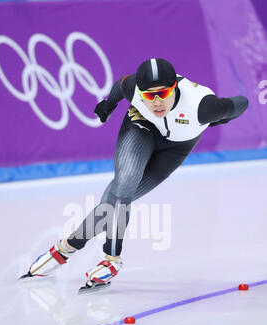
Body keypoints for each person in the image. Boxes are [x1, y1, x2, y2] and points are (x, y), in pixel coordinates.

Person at [20, 58, 249, 292]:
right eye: (150, 96)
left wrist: (224, 116)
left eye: (163, 94)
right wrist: (109, 104)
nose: (157, 102)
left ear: (175, 88)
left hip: (177, 147)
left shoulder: (203, 106)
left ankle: (65, 248)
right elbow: (121, 85)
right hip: (142, 126)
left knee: (111, 201)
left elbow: (242, 103)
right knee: (123, 185)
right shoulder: (135, 90)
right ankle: (111, 260)